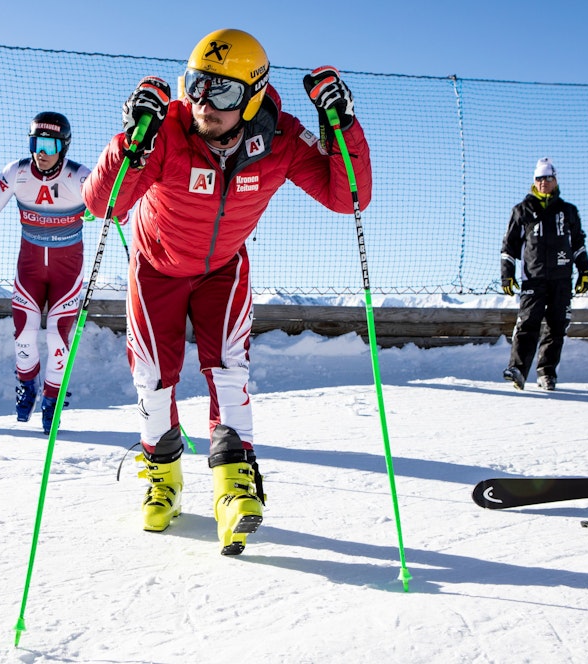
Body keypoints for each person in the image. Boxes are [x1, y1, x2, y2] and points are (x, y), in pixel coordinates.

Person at [82, 28, 372, 555]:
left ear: (254, 94)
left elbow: (347, 195)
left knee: (229, 370)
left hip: (222, 268)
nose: (203, 103)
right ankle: (163, 479)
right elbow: (102, 204)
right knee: (153, 378)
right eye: (196, 85)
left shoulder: (281, 139)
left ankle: (233, 485)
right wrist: (130, 139)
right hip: (157, 267)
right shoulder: (169, 130)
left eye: (223, 92)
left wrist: (342, 128)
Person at [0, 112, 91, 434]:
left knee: (58, 340)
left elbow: (117, 210)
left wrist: (108, 205)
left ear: (64, 146)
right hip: (29, 271)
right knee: (24, 336)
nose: (40, 152)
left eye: (49, 144)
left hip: (66, 274)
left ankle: (52, 400)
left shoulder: (80, 176)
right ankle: (27, 385)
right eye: (36, 143)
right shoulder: (16, 172)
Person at [501, 157, 588, 391]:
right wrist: (506, 274)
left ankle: (547, 373)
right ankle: (517, 370)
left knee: (556, 326)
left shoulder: (568, 211)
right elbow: (509, 246)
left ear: (555, 180)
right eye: (539, 178)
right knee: (527, 323)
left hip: (561, 279)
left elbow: (579, 243)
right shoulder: (522, 210)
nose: (544, 182)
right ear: (534, 181)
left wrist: (584, 271)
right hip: (533, 278)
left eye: (548, 178)